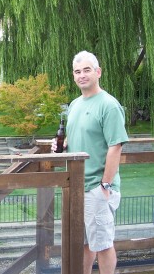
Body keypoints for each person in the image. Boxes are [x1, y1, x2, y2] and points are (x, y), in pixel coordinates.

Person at [52, 50, 129, 274]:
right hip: (77, 186)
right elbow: (74, 136)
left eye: (86, 70)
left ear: (98, 72)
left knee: (103, 244)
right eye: (77, 72)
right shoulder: (75, 104)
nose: (81, 75)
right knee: (85, 243)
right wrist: (62, 144)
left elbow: (116, 146)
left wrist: (105, 185)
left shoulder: (109, 105)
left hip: (97, 187)